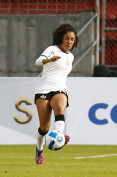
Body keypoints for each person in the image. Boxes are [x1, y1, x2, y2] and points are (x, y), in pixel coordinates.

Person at [34, 24, 78, 164]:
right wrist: (49, 60)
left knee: (60, 109)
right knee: (44, 127)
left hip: (60, 89)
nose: (69, 42)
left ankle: (59, 135)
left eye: (72, 39)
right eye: (67, 38)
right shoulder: (52, 49)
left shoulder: (70, 56)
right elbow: (38, 62)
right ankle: (39, 149)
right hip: (43, 89)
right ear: (60, 38)